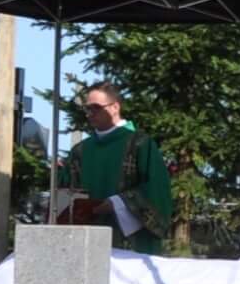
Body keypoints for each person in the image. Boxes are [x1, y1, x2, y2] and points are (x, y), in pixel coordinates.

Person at [59, 82, 174, 251]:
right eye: (87, 109)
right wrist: (58, 175)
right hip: (88, 241)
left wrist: (119, 203)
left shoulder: (140, 143)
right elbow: (68, 189)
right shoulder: (80, 150)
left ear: (115, 107)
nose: (90, 114)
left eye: (96, 108)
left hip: (132, 243)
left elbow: (157, 189)